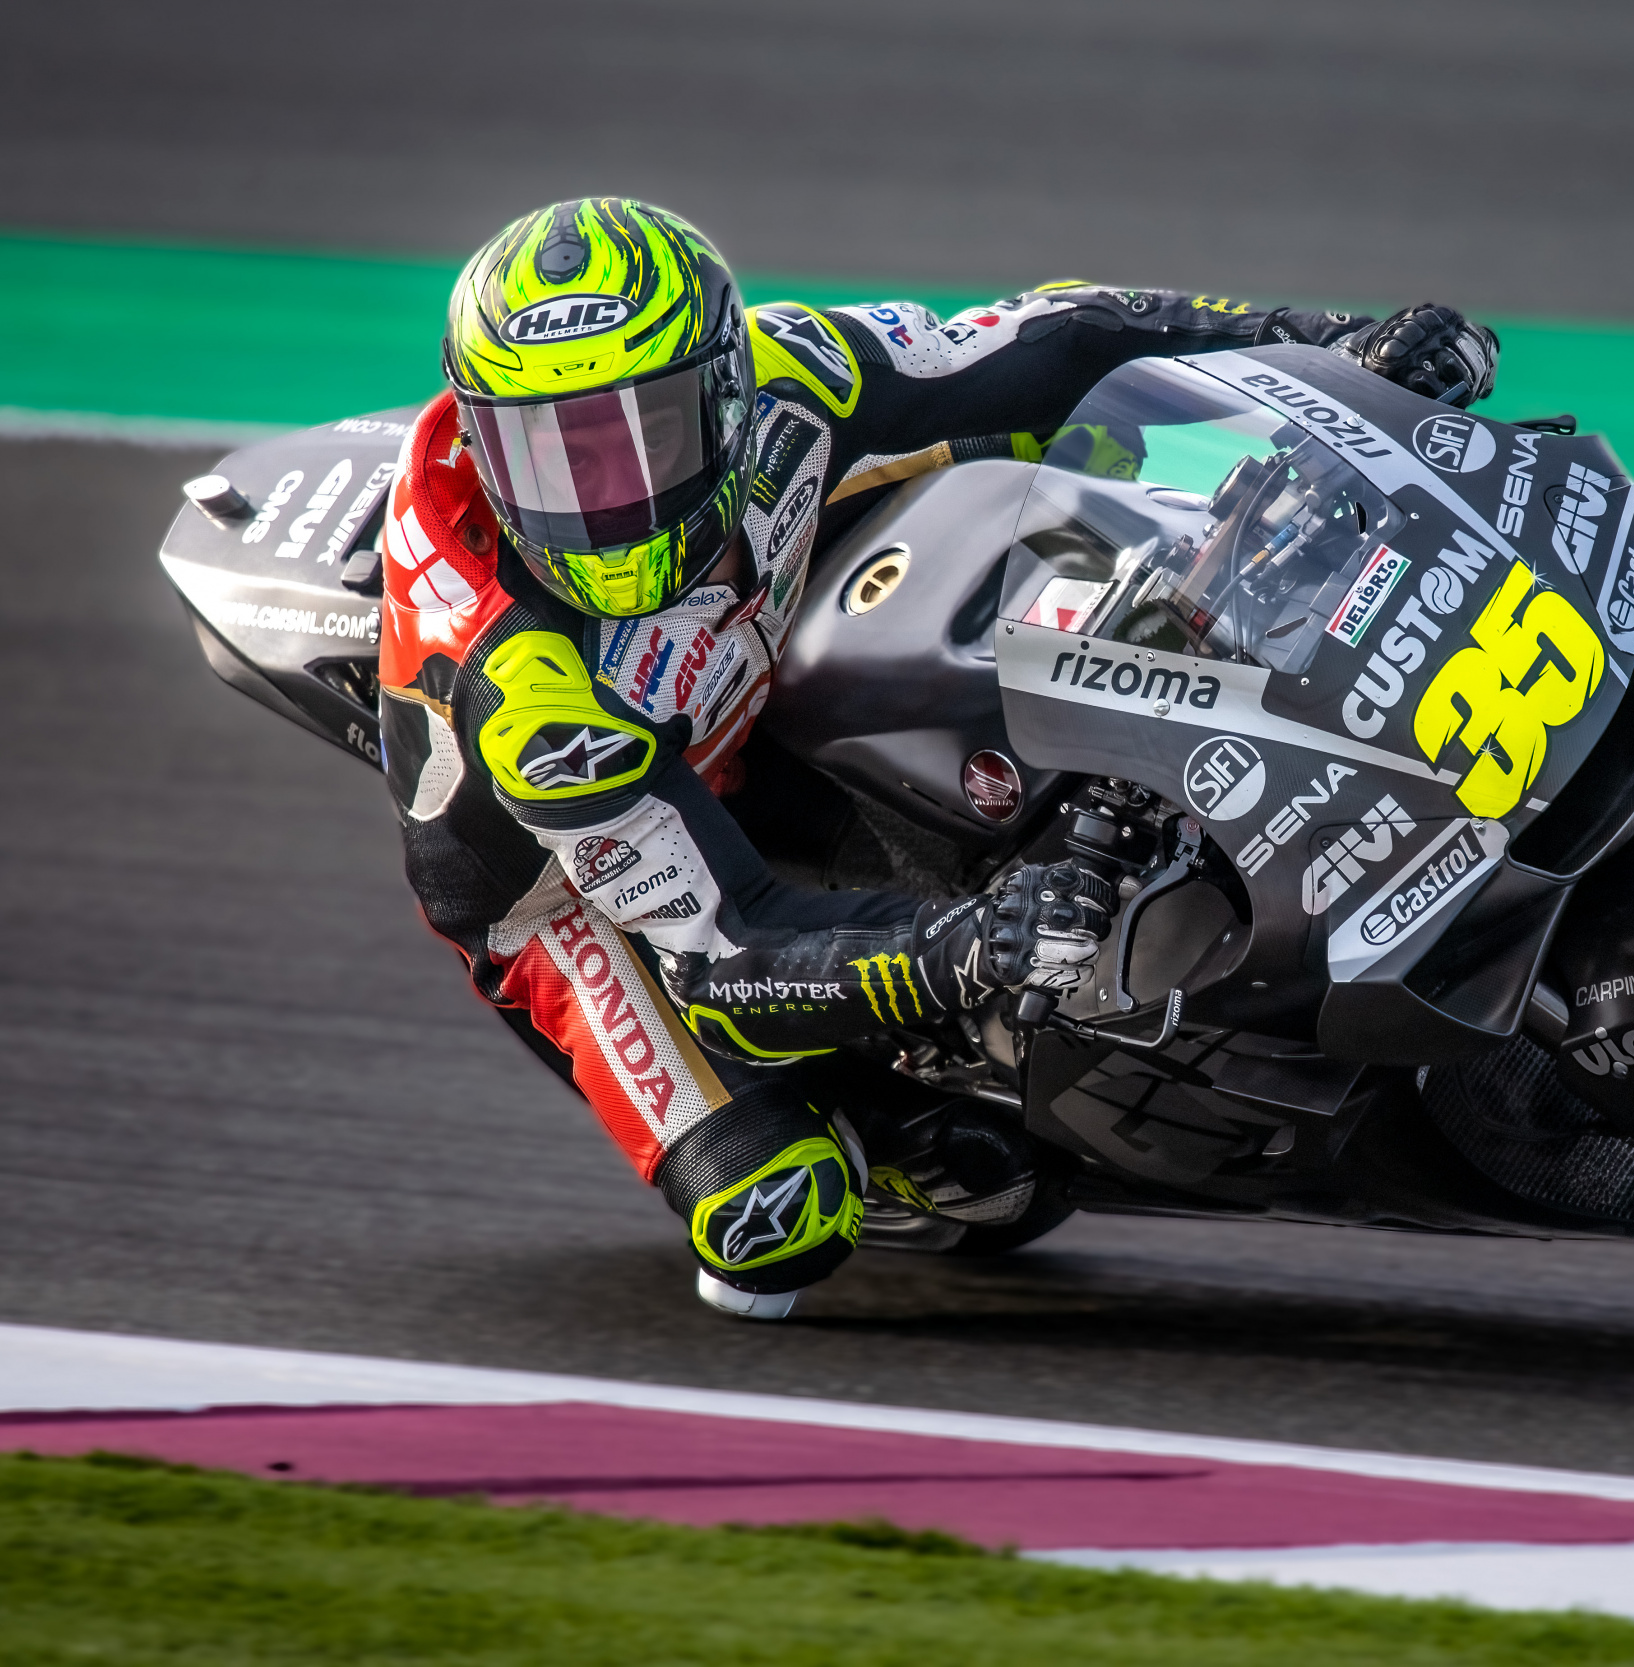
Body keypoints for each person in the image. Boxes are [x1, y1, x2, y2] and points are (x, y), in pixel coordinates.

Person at [374, 197, 1498, 1318]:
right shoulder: (534, 705)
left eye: (644, 438)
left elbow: (1053, 340)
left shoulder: (793, 376)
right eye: (556, 457)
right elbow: (728, 953)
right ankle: (882, 1120)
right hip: (566, 888)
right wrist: (968, 947)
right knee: (790, 1213)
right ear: (487, 442)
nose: (601, 501)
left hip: (743, 675)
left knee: (1057, 491)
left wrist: (1327, 347)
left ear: (724, 390)